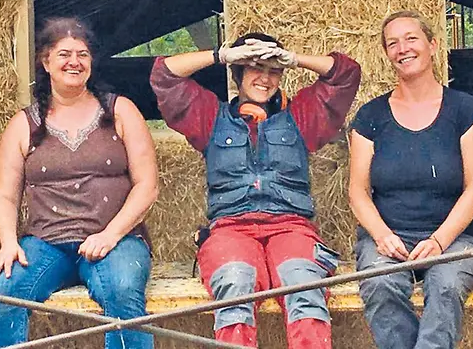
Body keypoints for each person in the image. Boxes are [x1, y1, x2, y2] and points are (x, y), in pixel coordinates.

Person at [150, 32, 360, 349]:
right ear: (238, 73)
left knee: (304, 284)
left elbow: (346, 74)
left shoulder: (301, 116)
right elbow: (164, 75)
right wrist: (224, 55)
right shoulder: (209, 117)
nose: (265, 78)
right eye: (255, 68)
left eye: (274, 70)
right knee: (234, 285)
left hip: (291, 227)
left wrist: (293, 57)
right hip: (230, 230)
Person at [0, 17, 159, 349]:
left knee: (121, 289)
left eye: (83, 54)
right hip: (46, 242)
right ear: (46, 62)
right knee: (4, 290)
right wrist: (8, 242)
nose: (74, 62)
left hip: (116, 240)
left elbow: (147, 185)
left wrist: (111, 234)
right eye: (64, 54)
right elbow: (5, 195)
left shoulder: (120, 111)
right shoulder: (24, 124)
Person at [348, 10, 473, 349]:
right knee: (380, 285)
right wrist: (382, 236)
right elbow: (357, 191)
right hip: (389, 238)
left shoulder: (466, 110)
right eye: (392, 43)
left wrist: (439, 241)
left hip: (456, 239)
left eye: (411, 38)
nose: (402, 49)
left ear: (432, 45)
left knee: (445, 285)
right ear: (386, 54)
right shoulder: (370, 116)